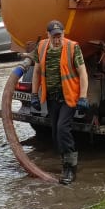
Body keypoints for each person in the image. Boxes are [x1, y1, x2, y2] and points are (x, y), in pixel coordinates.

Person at [30, 19, 89, 185]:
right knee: (56, 134)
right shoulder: (41, 47)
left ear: (63, 34)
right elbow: (36, 72)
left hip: (69, 97)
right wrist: (34, 94)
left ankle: (70, 169)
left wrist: (83, 97)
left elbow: (83, 73)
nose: (58, 39)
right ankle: (64, 162)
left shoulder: (72, 47)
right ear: (48, 35)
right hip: (52, 97)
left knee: (63, 129)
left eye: (60, 36)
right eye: (54, 36)